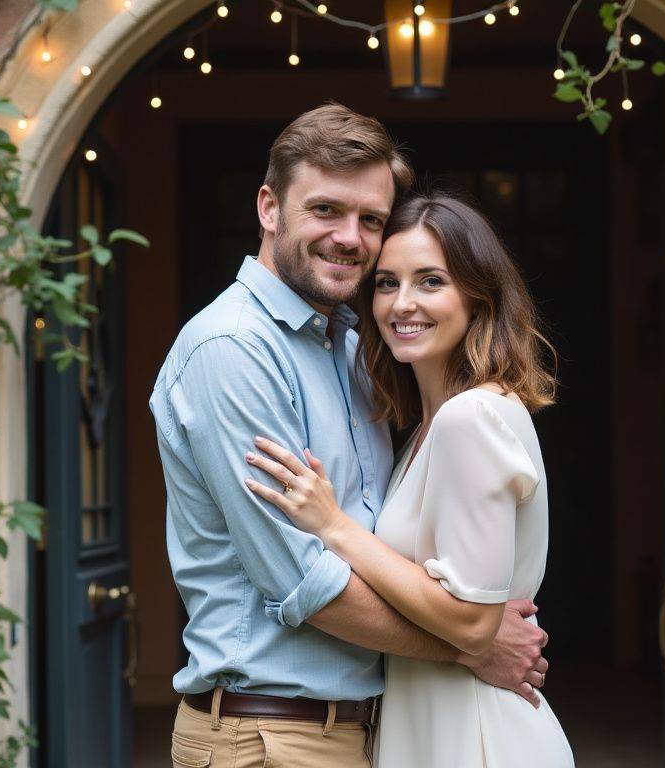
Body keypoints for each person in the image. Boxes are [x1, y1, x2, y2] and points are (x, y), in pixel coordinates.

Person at [150, 104, 550, 768]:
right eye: (326, 210)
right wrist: (473, 645)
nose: (350, 237)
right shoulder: (233, 349)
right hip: (270, 735)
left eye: (370, 220)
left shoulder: (356, 348)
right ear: (270, 208)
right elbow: (308, 585)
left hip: (361, 728)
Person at [245, 192, 575, 766]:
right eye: (386, 283)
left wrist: (336, 528)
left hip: (475, 736)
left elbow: (472, 623)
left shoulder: (470, 417)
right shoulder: (426, 429)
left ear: (477, 295)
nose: (403, 304)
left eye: (430, 282)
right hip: (432, 725)